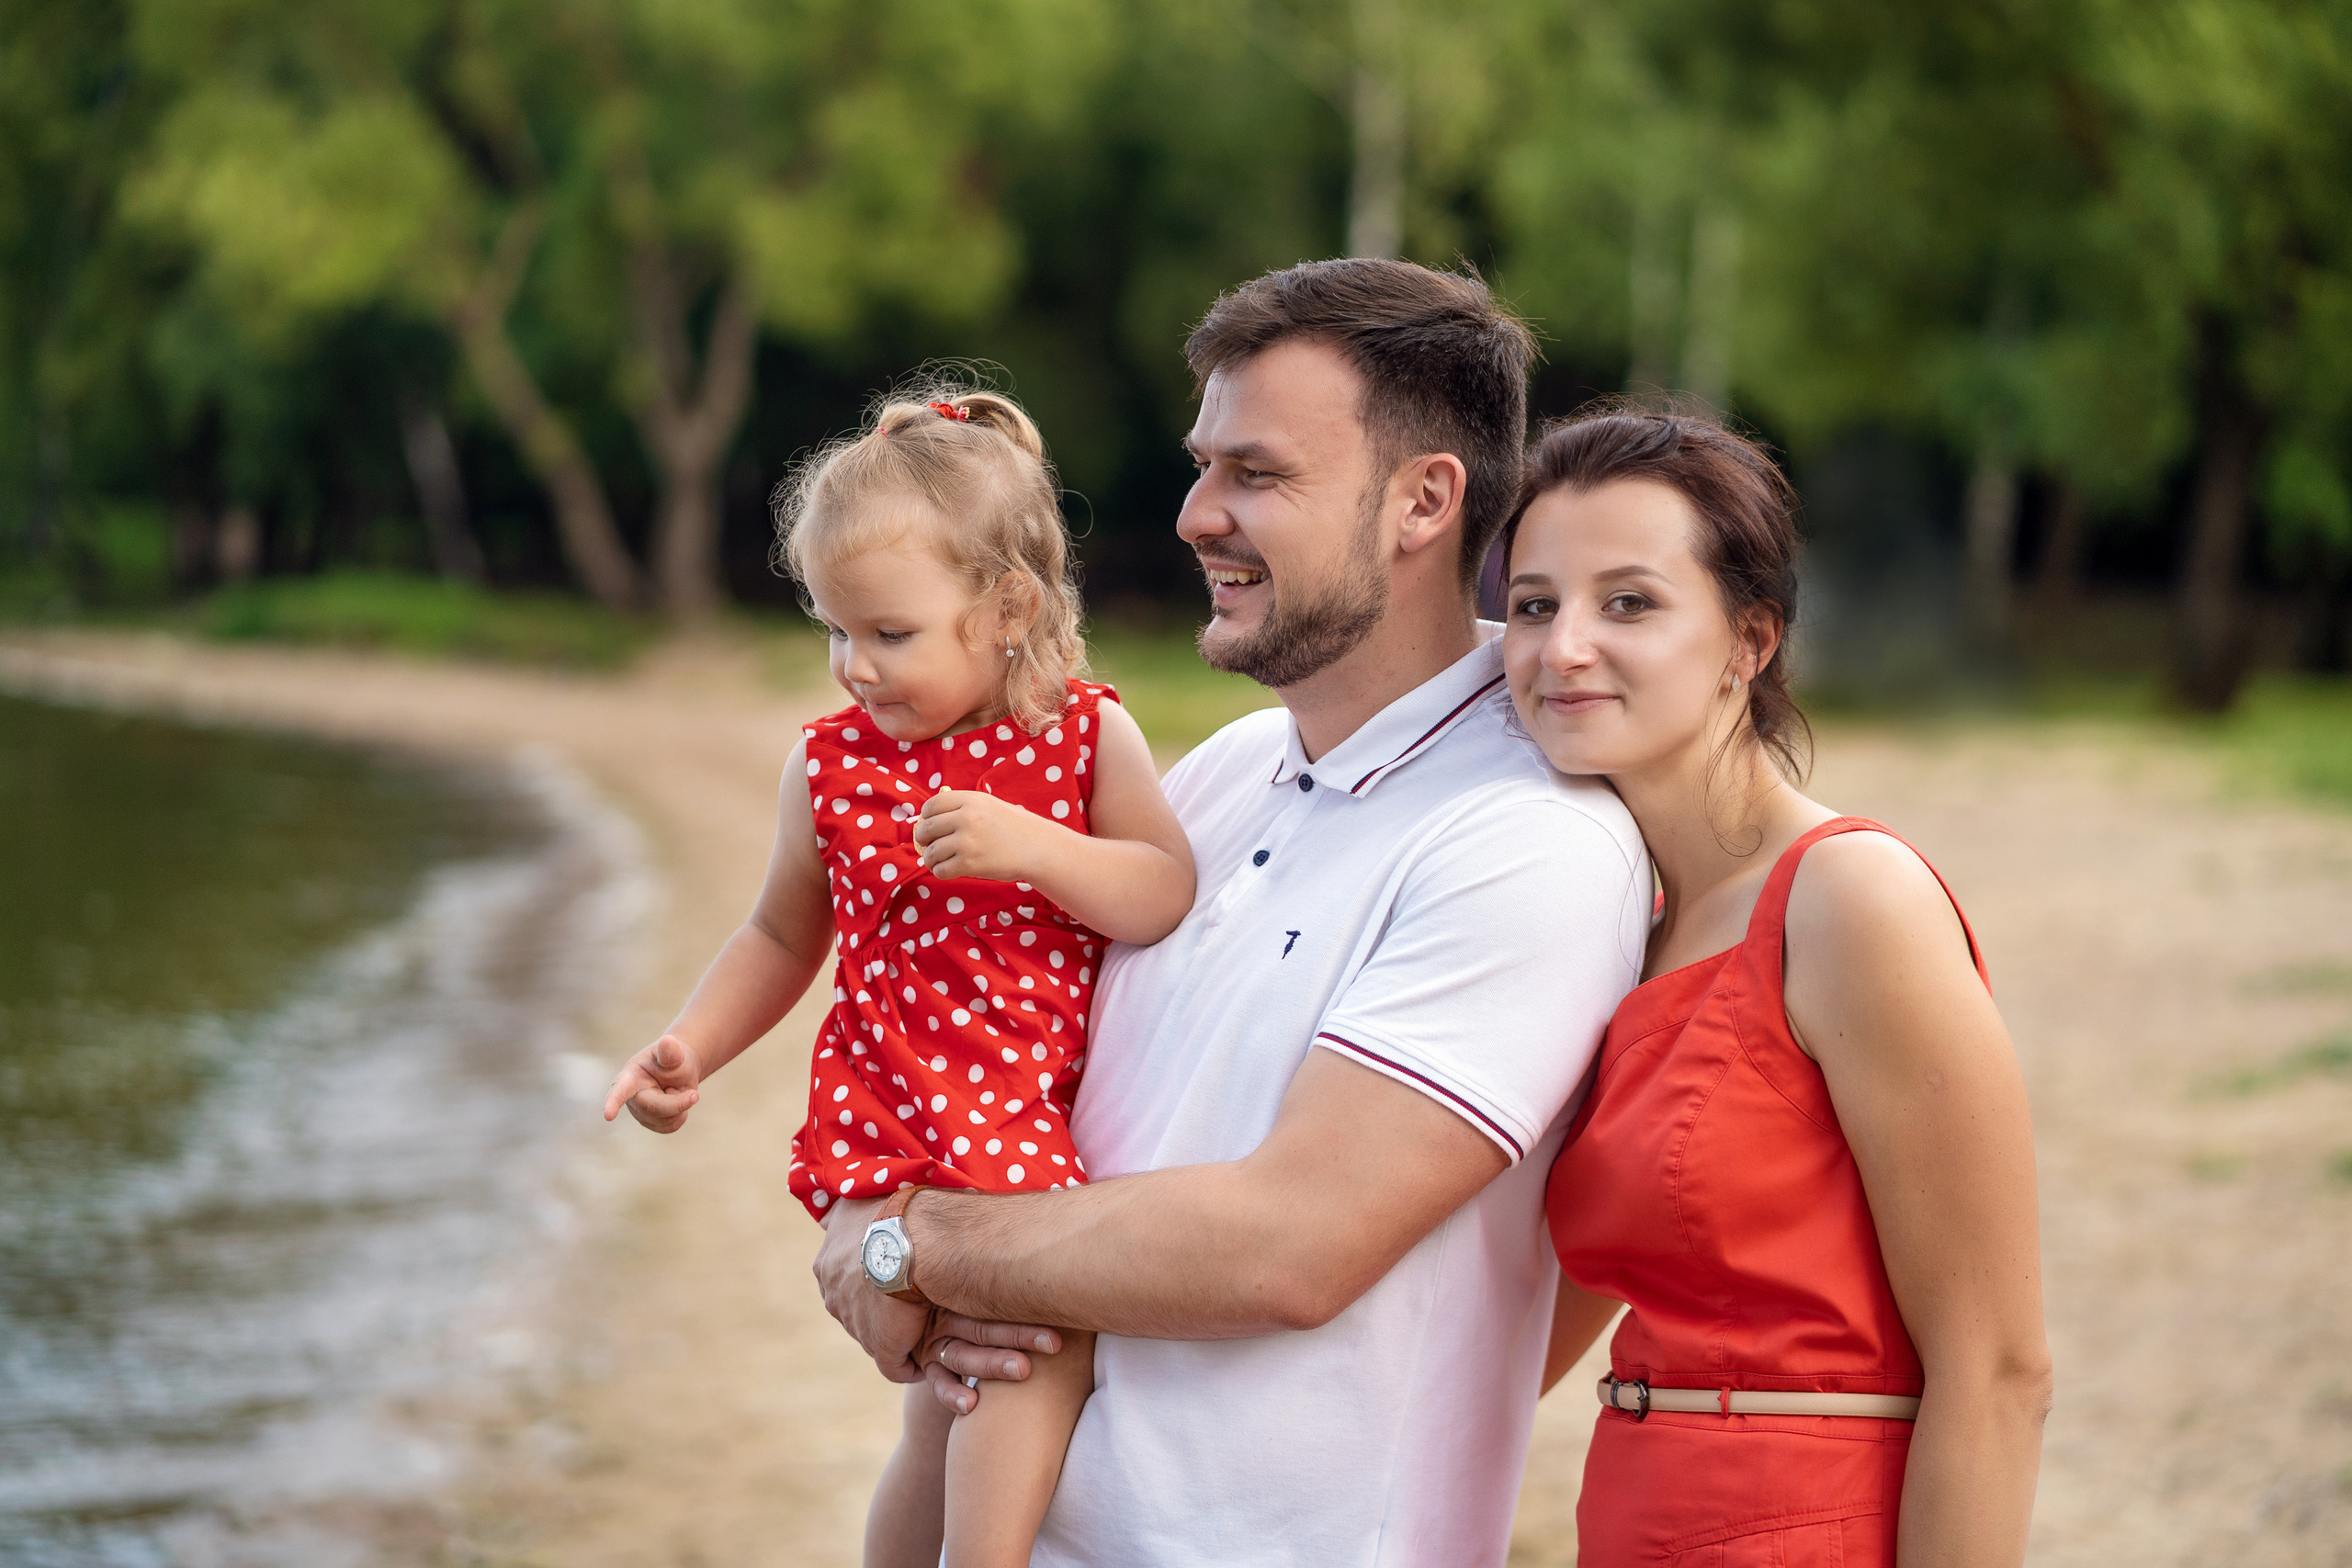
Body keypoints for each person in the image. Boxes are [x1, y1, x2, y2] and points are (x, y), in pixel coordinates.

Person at [811, 259, 1654, 1567]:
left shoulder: (1531, 839)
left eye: (1255, 473)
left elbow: (1284, 1246)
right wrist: (887, 1246)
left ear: (1424, 500)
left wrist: (911, 1240)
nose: (1198, 512)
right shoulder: (1210, 780)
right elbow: (1006, 1092)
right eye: (1204, 466)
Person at [600, 388, 1198, 1568]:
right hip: (897, 1105)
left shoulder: (1081, 737)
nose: (852, 667)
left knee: (950, 1400)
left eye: (889, 634)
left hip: (1024, 1096)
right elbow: (780, 935)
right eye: (832, 629)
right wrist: (691, 1048)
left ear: (1007, 608)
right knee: (1027, 1353)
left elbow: (1160, 886)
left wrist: (1037, 847)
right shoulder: (826, 767)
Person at [1501, 408, 2053, 1565]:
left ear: (1749, 642)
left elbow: (1997, 1367)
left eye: (1630, 603)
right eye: (1535, 603)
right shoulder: (1623, 924)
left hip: (1807, 1527)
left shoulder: (1851, 899)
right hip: (1633, 1518)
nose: (1563, 648)